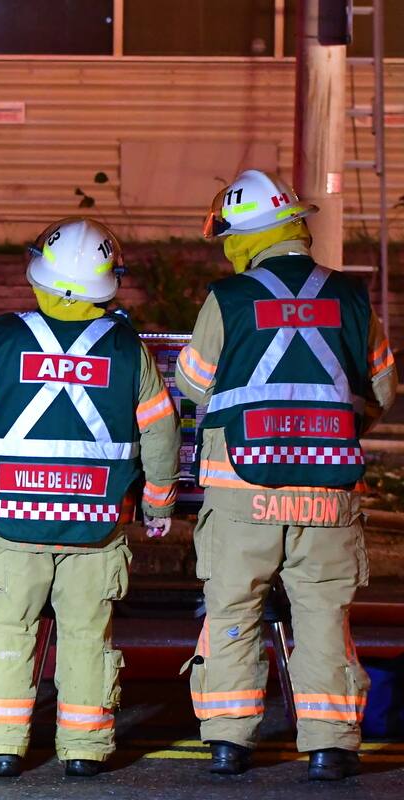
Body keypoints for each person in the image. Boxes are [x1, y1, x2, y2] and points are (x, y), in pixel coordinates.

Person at [0, 217, 180, 778]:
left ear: (38, 275)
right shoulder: (128, 349)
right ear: (108, 282)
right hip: (96, 524)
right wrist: (159, 502)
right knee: (87, 635)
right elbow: (161, 431)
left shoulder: (1, 341)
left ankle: (0, 746)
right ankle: (85, 750)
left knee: (8, 628)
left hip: (12, 520)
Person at [178, 169, 396, 780]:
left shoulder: (229, 298)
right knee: (323, 615)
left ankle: (229, 740)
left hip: (241, 494)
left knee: (232, 611)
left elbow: (192, 383)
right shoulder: (351, 297)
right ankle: (330, 746)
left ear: (245, 236)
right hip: (328, 493)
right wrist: (331, 431)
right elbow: (382, 388)